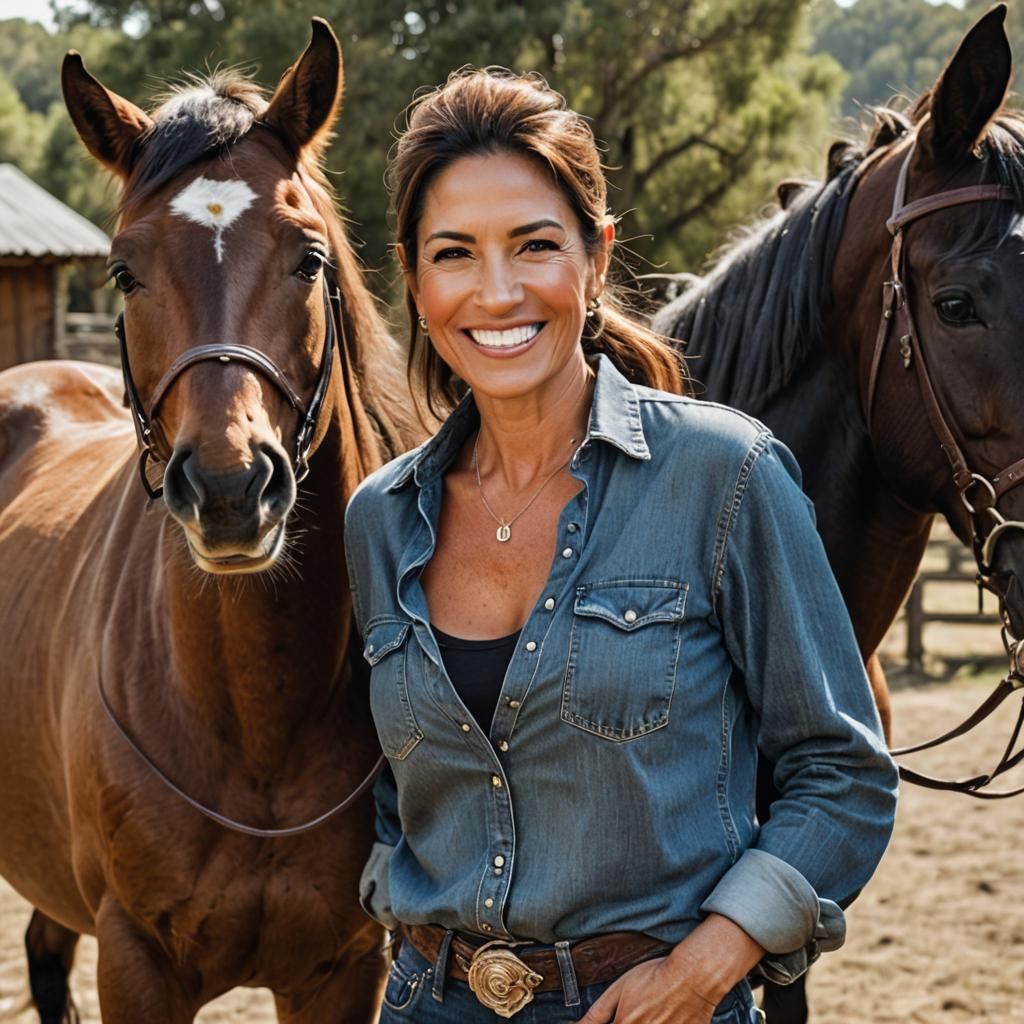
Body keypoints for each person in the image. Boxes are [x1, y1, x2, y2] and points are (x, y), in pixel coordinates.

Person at [343, 67, 898, 1024]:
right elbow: (398, 796)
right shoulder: (380, 517)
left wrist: (706, 969)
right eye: (454, 254)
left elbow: (841, 774)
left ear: (596, 258)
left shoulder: (723, 476)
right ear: (415, 279)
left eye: (535, 245)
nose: (498, 291)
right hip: (426, 1000)